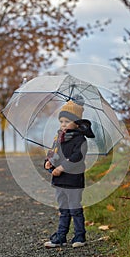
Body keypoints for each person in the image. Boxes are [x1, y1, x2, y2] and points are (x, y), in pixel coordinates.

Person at [44, 97, 95, 248]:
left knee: (74, 208)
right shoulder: (58, 138)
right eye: (61, 121)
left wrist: (62, 167)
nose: (63, 124)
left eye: (67, 121)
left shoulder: (80, 140)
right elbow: (53, 153)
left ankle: (80, 236)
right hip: (60, 181)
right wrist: (49, 162)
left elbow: (77, 157)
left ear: (77, 123)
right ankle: (61, 236)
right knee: (63, 209)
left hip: (73, 181)